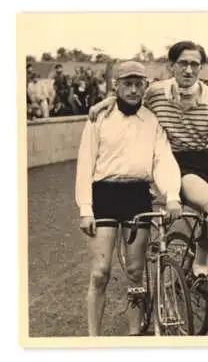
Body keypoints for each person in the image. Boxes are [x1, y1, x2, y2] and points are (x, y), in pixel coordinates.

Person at [87, 41, 208, 311]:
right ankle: (199, 261)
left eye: (195, 64)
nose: (188, 69)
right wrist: (107, 101)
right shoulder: (156, 93)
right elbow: (130, 96)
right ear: (171, 66)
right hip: (177, 165)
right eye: (182, 63)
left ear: (201, 67)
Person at [75, 61, 183, 336]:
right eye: (127, 84)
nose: (134, 90)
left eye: (139, 84)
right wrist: (85, 208)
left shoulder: (152, 120)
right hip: (105, 194)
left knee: (136, 272)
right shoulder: (98, 118)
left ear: (145, 86)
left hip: (137, 195)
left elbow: (163, 160)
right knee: (100, 272)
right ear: (117, 86)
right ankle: (93, 339)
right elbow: (85, 163)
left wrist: (171, 195)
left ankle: (135, 335)